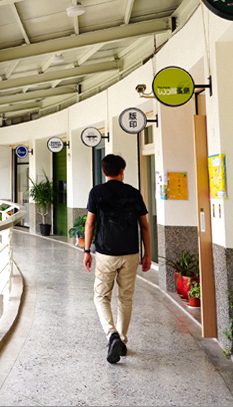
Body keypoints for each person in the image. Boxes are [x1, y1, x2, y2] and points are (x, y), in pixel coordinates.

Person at [83, 153, 151, 364]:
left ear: (103, 171)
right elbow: (145, 226)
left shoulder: (97, 192)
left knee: (101, 296)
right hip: (130, 253)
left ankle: (111, 334)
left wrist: (87, 250)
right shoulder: (133, 193)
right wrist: (147, 253)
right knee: (125, 298)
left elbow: (90, 224)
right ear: (123, 171)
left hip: (105, 253)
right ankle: (121, 340)